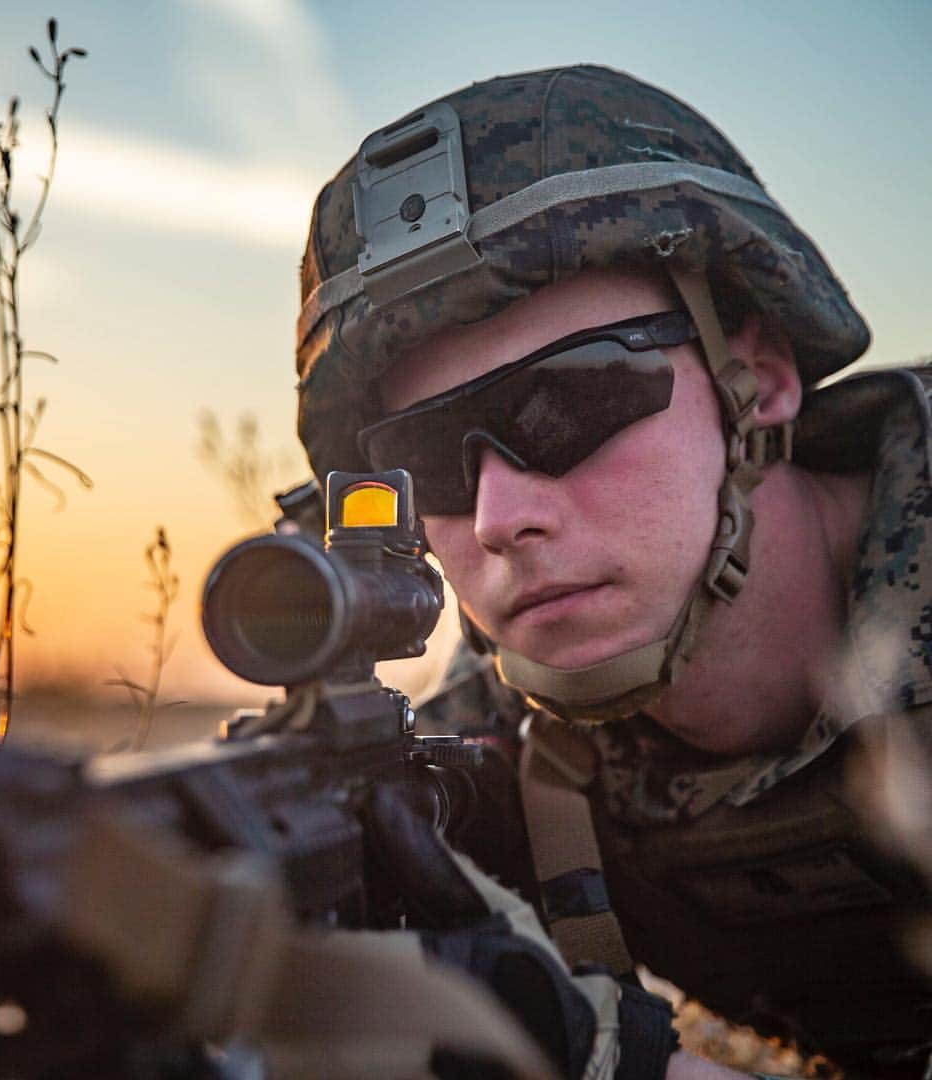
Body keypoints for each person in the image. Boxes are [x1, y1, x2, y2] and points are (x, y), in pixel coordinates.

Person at [292, 66, 931, 1078]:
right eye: (422, 457)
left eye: (571, 401)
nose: (501, 517)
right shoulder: (484, 773)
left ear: (756, 380)